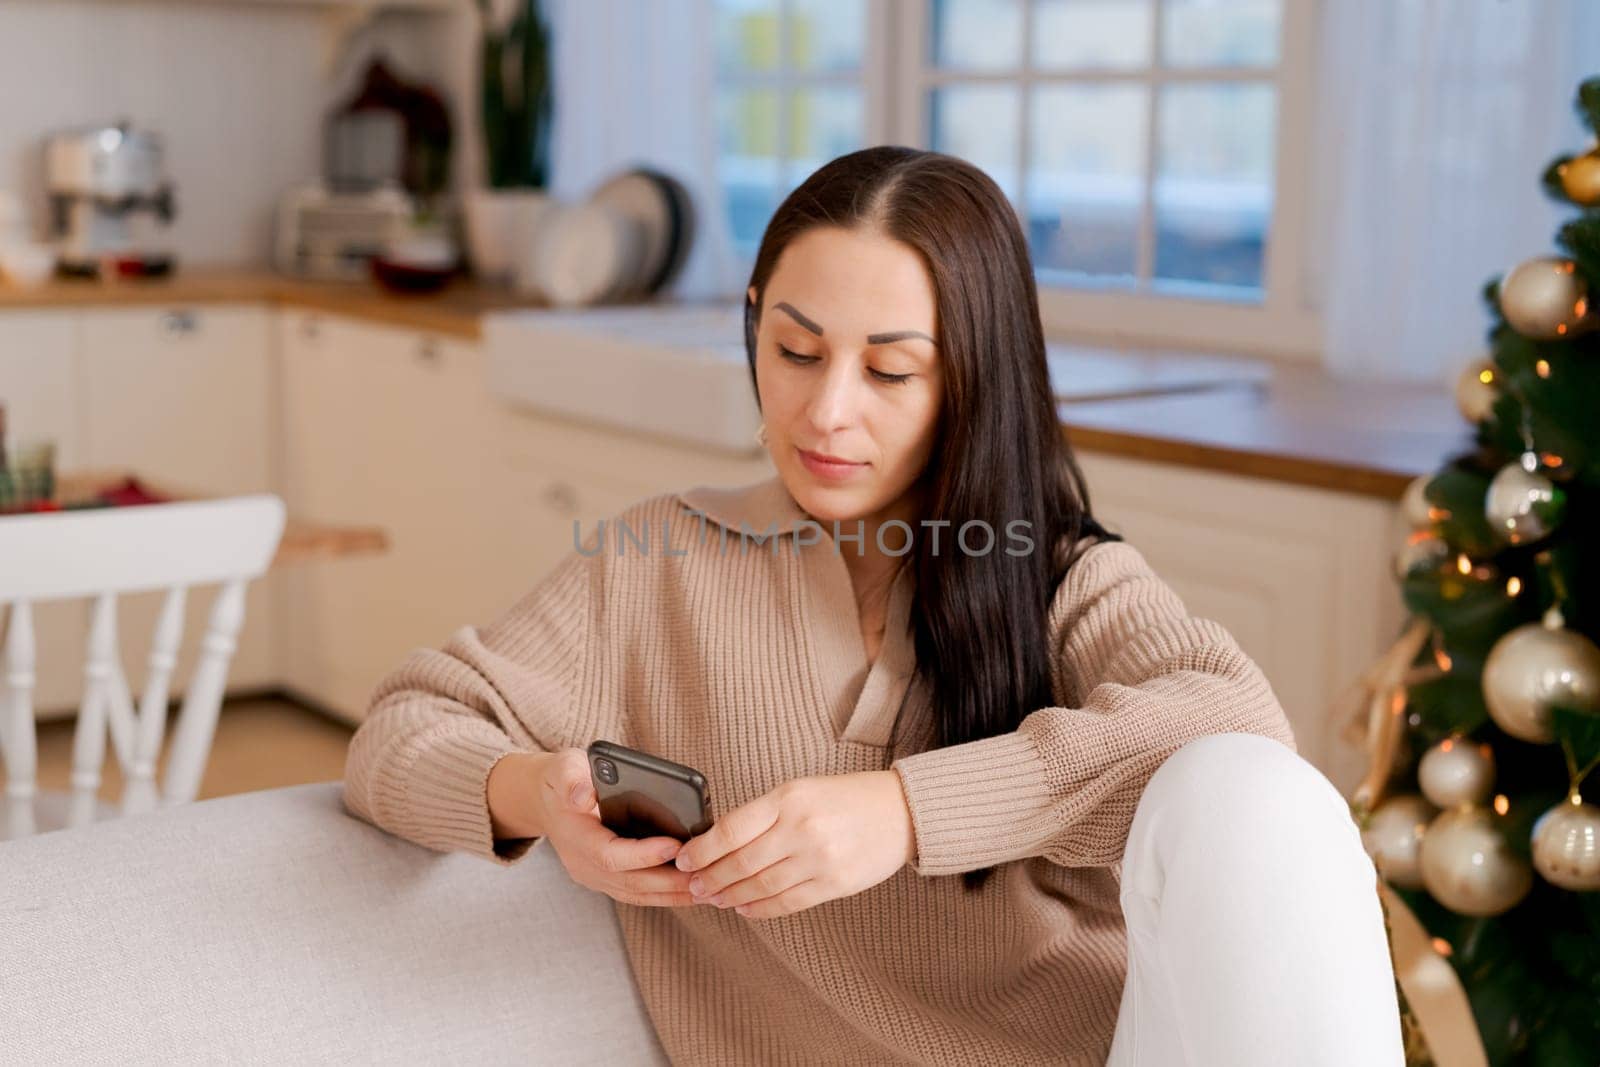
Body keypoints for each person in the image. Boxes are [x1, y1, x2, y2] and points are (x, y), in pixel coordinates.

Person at [343, 146, 1403, 1065]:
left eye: (891, 370)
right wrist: (536, 794)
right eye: (795, 350)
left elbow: (1242, 735)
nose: (826, 409)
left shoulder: (1057, 571)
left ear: (970, 381)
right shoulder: (652, 559)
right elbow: (399, 730)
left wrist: (904, 812)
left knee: (1250, 791)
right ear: (753, 323)